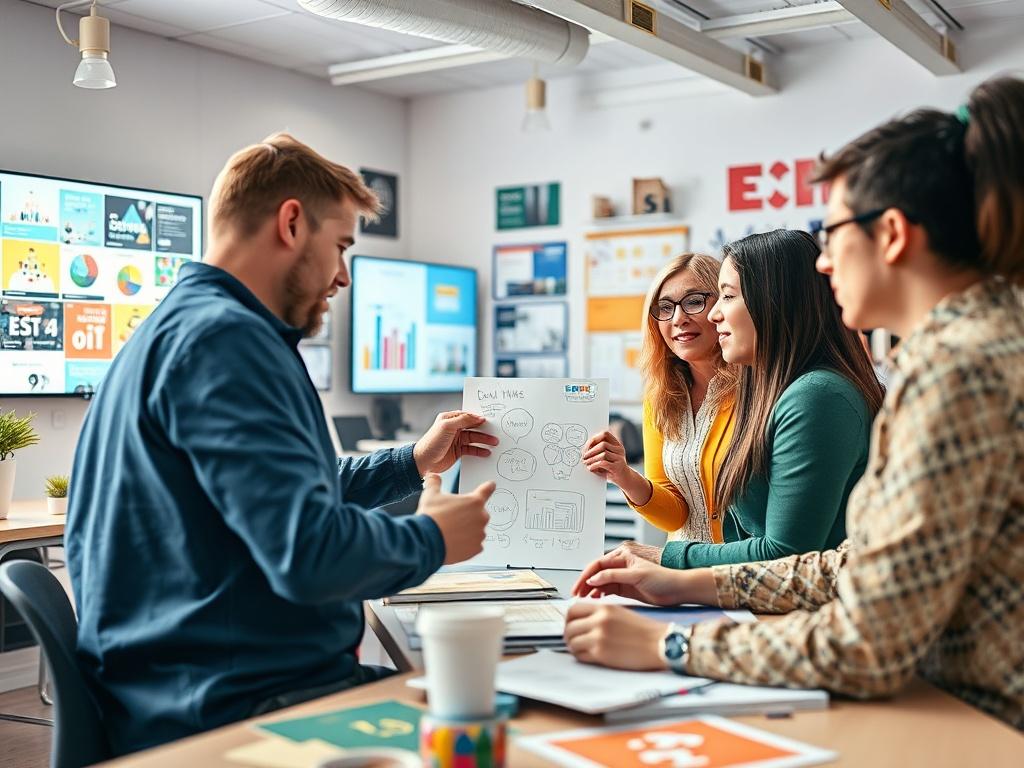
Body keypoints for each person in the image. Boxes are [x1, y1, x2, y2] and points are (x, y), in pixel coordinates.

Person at [565, 76, 1024, 730]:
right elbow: (865, 565)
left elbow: (868, 642)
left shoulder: (960, 366)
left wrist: (668, 644)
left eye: (832, 234)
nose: (823, 263)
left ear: (891, 234)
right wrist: (692, 581)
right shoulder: (970, 346)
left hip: (976, 725)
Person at [67, 133, 499, 755]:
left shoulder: (184, 327)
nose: (343, 276)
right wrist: (432, 538)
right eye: (342, 247)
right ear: (292, 223)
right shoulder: (226, 344)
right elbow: (309, 552)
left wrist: (410, 462)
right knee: (494, 730)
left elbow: (282, 496)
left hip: (201, 685)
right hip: (232, 706)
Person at [582, 253, 737, 547]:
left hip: (741, 569)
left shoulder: (757, 389)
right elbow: (676, 516)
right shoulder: (661, 398)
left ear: (723, 306)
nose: (678, 318)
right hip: (680, 571)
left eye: (693, 301)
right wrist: (623, 474)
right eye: (665, 308)